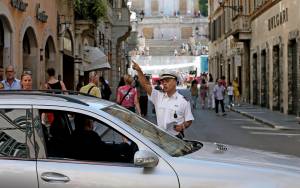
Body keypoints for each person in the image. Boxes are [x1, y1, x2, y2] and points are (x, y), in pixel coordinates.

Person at [132, 60, 194, 139]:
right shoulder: (158, 96)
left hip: (176, 139)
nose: (164, 83)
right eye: (163, 81)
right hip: (161, 138)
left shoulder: (183, 101)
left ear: (175, 82)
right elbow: (145, 85)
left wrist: (182, 126)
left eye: (167, 81)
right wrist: (139, 70)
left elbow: (189, 120)